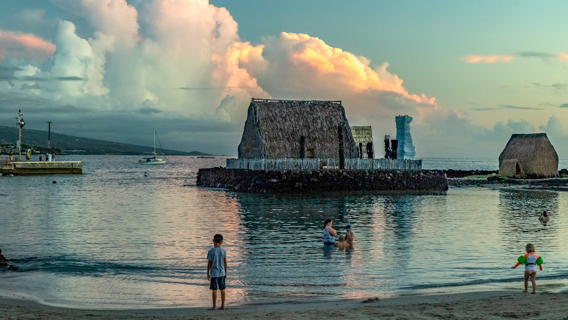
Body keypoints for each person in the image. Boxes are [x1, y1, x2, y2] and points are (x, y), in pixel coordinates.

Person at [207, 234, 227, 310]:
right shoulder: (223, 250)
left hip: (214, 273)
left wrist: (207, 273)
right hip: (222, 272)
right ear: (221, 241)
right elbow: (225, 262)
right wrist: (226, 272)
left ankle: (214, 306)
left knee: (214, 289)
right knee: (222, 289)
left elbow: (209, 263)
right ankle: (223, 306)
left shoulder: (211, 251)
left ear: (213, 241)